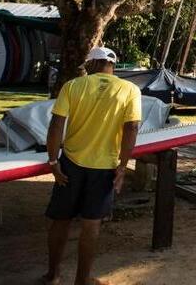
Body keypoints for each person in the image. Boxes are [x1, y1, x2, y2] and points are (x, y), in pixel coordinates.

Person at [43, 46, 141, 285]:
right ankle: (82, 280)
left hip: (70, 164)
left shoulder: (73, 86)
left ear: (91, 64)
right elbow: (132, 128)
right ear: (113, 66)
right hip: (104, 167)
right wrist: (123, 166)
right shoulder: (130, 90)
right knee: (91, 225)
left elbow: (56, 125)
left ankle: (53, 274)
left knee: (61, 220)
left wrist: (53, 161)